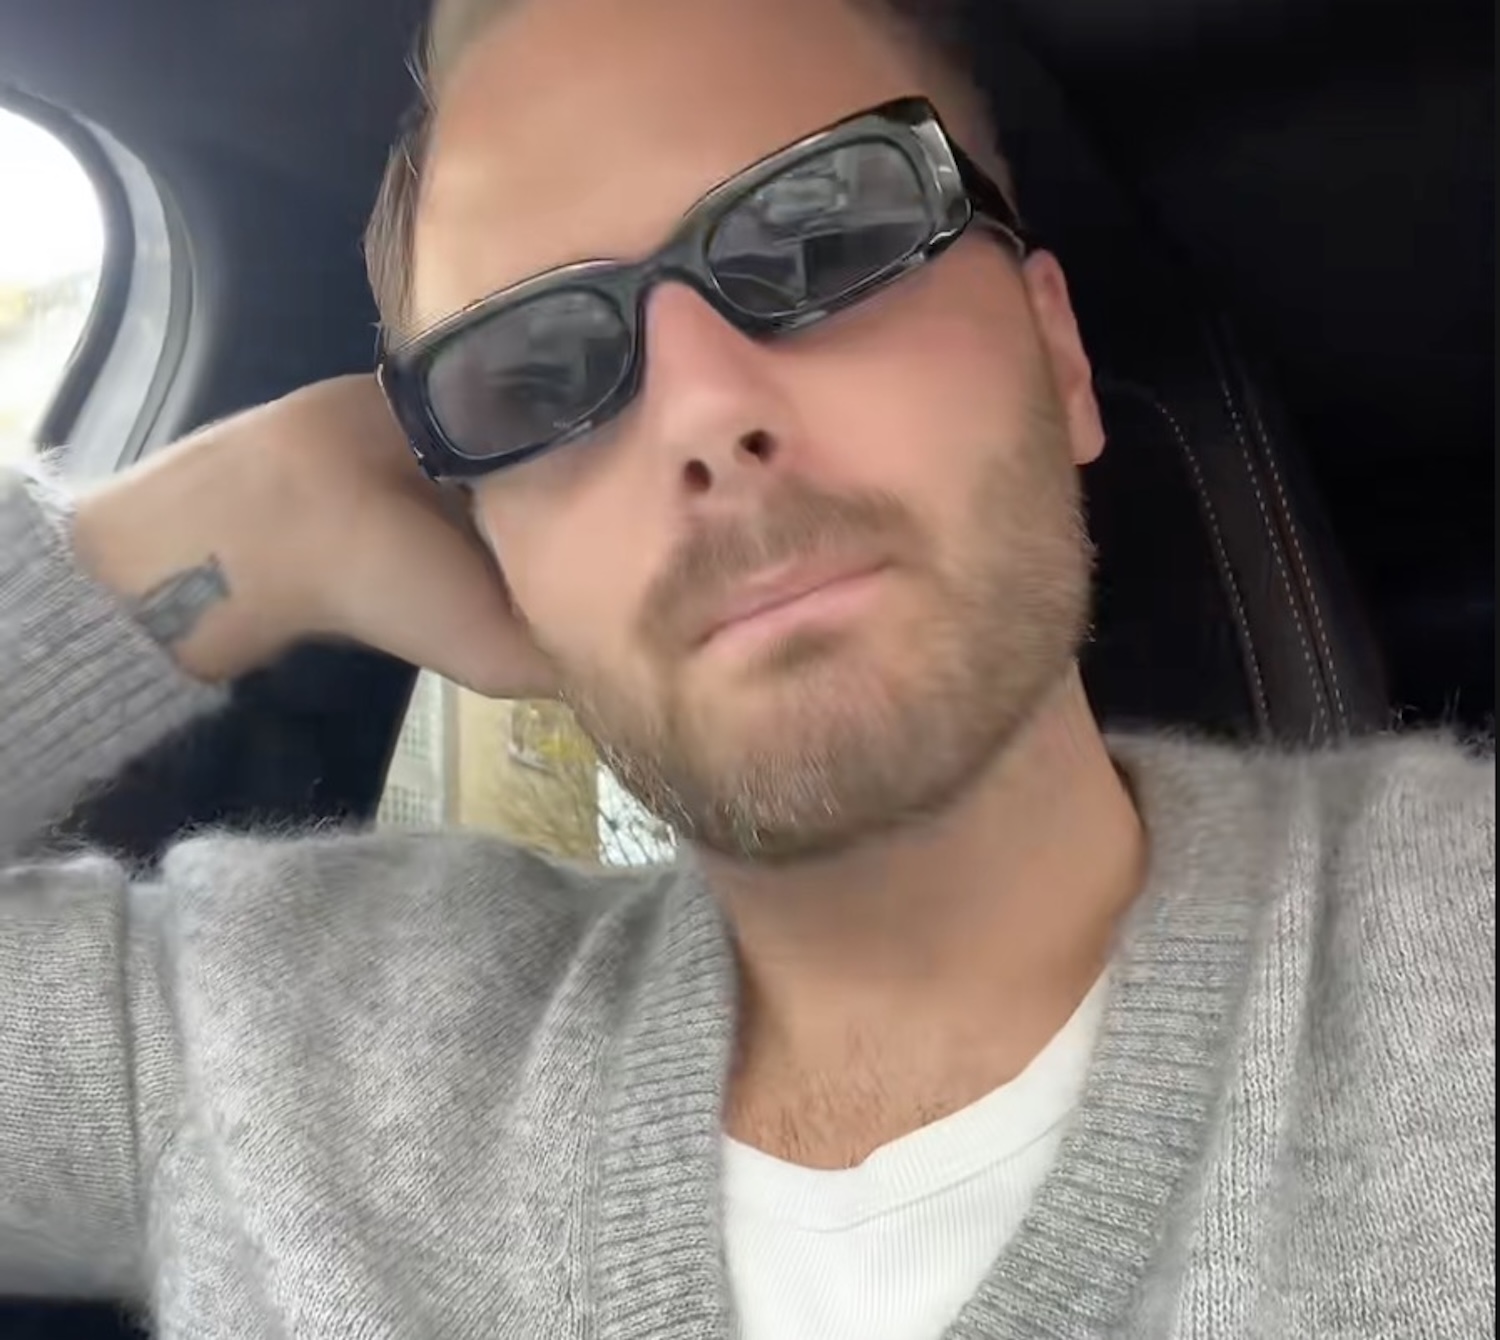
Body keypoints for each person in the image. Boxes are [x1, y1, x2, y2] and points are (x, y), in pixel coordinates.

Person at [1, 0, 1493, 1335]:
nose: (707, 410)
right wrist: (233, 523)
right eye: (532, 372)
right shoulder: (277, 1046)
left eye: (825, 236)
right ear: (491, 542)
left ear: (1058, 356)